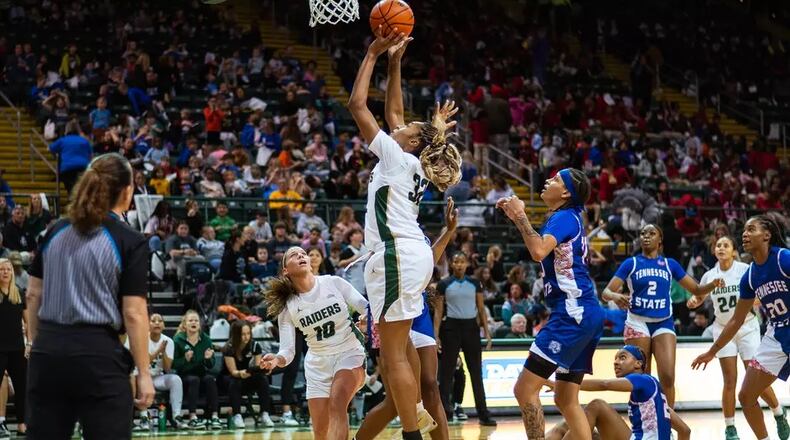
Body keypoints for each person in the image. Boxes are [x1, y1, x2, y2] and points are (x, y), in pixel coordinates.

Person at [348, 28, 461, 438]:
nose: (398, 123)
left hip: (396, 254)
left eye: (407, 127)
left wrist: (373, 53)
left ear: (410, 141)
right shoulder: (410, 162)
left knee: (392, 351)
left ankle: (412, 432)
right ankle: (416, 411)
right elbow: (395, 113)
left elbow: (357, 104)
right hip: (414, 257)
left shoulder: (396, 155)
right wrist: (397, 63)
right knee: (406, 344)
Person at [25, 153, 154, 439]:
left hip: (48, 352)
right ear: (126, 190)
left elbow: (33, 295)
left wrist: (38, 345)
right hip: (98, 356)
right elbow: (133, 313)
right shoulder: (129, 239)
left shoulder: (54, 230)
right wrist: (144, 373)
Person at [497, 168, 603, 440]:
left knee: (524, 389)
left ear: (566, 192)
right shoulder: (570, 218)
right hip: (585, 313)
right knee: (566, 399)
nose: (547, 181)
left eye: (555, 179)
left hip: (572, 313)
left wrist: (520, 215)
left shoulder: (563, 216)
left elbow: (538, 250)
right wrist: (516, 217)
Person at [355, 198, 459, 440]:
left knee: (430, 385)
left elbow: (429, 261)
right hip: (388, 312)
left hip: (418, 312)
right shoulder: (379, 232)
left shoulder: (416, 234)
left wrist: (449, 230)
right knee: (394, 402)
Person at [602, 223, 723, 408]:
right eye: (643, 233)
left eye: (651, 233)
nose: (646, 236)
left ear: (660, 241)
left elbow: (696, 289)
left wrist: (713, 284)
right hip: (637, 322)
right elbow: (606, 292)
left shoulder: (669, 264)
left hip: (663, 322)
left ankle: (667, 422)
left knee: (667, 376)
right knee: (642, 377)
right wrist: (615, 295)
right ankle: (644, 421)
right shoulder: (631, 263)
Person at [692, 215, 790, 440]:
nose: (745, 234)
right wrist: (712, 351)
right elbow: (736, 320)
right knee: (745, 396)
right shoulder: (751, 276)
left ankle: (778, 415)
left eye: (751, 229)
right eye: (744, 230)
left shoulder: (783, 259)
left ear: (767, 235)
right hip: (776, 333)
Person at [260, 247, 368, 440]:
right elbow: (288, 351)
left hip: (349, 352)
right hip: (317, 364)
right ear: (286, 270)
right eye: (294, 254)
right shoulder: (288, 307)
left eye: (303, 253)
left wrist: (368, 319)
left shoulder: (333, 283)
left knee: (338, 401)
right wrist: (276, 360)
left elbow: (365, 306)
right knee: (321, 433)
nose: (301, 255)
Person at [546, 346, 690, 440]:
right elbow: (685, 431)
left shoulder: (643, 379)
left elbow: (605, 384)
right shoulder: (657, 401)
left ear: (638, 364)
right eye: (615, 358)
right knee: (575, 428)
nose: (616, 362)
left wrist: (564, 385)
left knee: (597, 406)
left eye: (622, 357)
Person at [434, 252, 495, 425]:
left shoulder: (475, 283)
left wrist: (487, 333)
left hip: (471, 329)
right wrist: (436, 335)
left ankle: (483, 414)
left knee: (476, 373)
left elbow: (481, 309)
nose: (459, 265)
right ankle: (445, 413)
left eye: (462, 261)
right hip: (451, 328)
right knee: (446, 373)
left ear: (467, 263)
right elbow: (438, 312)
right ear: (451, 265)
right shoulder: (444, 284)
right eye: (456, 262)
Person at [128, 313, 188, 431]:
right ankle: (144, 418)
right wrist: (158, 350)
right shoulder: (142, 339)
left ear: (164, 326)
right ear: (147, 325)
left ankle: (176, 416)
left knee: (176, 379)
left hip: (157, 378)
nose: (157, 323)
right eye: (153, 320)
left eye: (160, 321)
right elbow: (143, 363)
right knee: (141, 377)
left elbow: (167, 368)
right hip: (142, 374)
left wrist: (164, 352)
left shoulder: (169, 341)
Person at [172, 310, 222, 430]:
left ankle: (215, 416)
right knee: (194, 380)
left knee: (210, 378)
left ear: (199, 324)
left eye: (196, 320)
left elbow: (211, 365)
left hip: (201, 373)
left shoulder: (206, 339)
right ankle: (192, 417)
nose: (193, 322)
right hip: (184, 376)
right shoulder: (178, 340)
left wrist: (208, 359)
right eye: (190, 320)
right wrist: (185, 359)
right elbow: (172, 364)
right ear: (185, 324)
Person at [223, 320, 274, 428]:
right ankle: (237, 415)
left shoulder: (255, 345)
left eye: (248, 334)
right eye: (243, 334)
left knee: (262, 378)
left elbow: (257, 367)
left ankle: (265, 414)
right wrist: (240, 373)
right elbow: (233, 371)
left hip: (247, 375)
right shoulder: (229, 347)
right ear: (236, 335)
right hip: (229, 378)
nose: (246, 337)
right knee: (234, 382)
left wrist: (259, 370)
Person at [0, 258, 27, 436]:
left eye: (8, 269)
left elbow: (28, 321)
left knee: (22, 385)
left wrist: (30, 342)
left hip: (18, 347)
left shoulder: (19, 293)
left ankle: (22, 423)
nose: (6, 272)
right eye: (2, 269)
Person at [48, 121, 92, 194]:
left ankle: (72, 198)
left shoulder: (63, 140)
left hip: (67, 168)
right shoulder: (84, 141)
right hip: (83, 167)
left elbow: (50, 148)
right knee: (81, 187)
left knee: (70, 187)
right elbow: (90, 154)